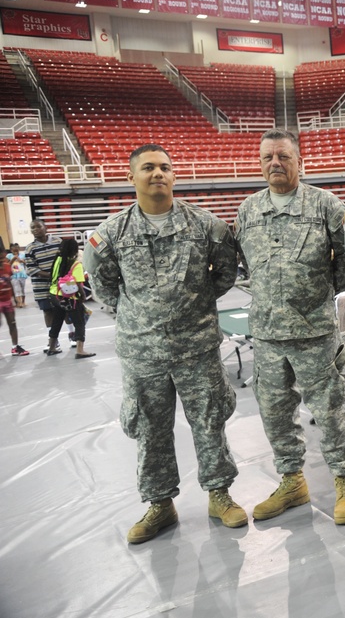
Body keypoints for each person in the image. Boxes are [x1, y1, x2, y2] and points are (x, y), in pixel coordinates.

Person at [84, 144, 246, 543]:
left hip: (197, 348)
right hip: (142, 353)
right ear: (131, 177)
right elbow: (103, 287)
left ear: (175, 176)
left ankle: (220, 494)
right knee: (150, 429)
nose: (158, 173)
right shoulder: (110, 234)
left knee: (209, 421)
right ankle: (159, 504)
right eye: (148, 168)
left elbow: (225, 274)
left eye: (165, 167)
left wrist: (192, 306)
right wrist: (144, 318)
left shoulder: (206, 226)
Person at [235, 129, 345, 525]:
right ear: (260, 163)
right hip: (268, 334)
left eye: (283, 157)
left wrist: (319, 291)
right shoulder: (248, 210)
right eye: (268, 157)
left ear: (299, 161)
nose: (275, 163)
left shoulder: (325, 205)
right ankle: (292, 482)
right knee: (275, 413)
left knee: (330, 410)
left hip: (315, 332)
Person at [46, 237, 94, 358]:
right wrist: (83, 296)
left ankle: (52, 347)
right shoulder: (76, 264)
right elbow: (78, 284)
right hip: (70, 299)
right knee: (79, 323)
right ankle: (80, 350)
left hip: (55, 295)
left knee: (56, 321)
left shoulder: (57, 260)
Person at [25, 220, 63, 346]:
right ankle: (53, 340)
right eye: (32, 228)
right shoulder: (30, 248)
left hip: (60, 284)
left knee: (67, 308)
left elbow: (66, 259)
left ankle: (72, 334)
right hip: (42, 286)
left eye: (38, 227)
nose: (35, 229)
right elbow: (31, 269)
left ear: (45, 227)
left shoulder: (58, 242)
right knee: (48, 311)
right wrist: (52, 276)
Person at [1, 240, 29, 356]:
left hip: (7, 301)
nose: (1, 258)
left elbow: (10, 283)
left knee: (12, 323)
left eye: (2, 255)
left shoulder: (7, 267)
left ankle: (15, 347)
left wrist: (13, 299)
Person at [7, 243, 28, 308]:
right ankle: (19, 302)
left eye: (17, 251)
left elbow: (26, 263)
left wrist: (21, 261)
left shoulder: (22, 255)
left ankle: (23, 301)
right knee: (16, 289)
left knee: (22, 289)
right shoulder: (9, 256)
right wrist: (13, 259)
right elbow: (7, 264)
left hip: (21, 274)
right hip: (14, 275)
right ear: (11, 250)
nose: (16, 252)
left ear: (19, 249)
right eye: (14, 251)